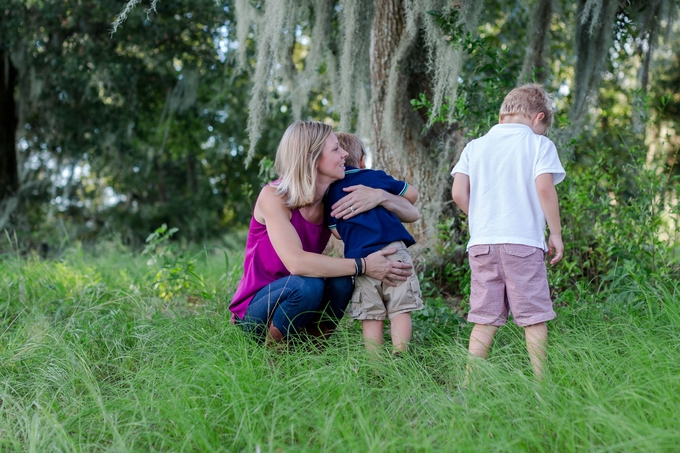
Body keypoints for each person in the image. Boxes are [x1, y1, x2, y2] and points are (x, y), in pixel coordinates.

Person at [229, 121, 419, 345]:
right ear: (313, 158)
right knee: (308, 284)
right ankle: (274, 354)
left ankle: (313, 346)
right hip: (255, 311)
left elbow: (411, 211)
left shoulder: (335, 196)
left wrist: (381, 196)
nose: (345, 154)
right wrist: (364, 265)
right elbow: (297, 264)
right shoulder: (274, 196)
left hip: (299, 301)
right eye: (336, 149)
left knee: (342, 281)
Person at [450, 84, 566, 380]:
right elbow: (544, 187)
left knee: (485, 318)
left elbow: (458, 192)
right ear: (538, 117)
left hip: (482, 245)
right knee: (534, 318)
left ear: (503, 114)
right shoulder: (539, 145)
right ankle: (542, 386)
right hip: (522, 243)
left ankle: (468, 385)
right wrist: (556, 233)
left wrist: (481, 217)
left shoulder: (474, 146)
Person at [325, 132, 424, 354]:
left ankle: (376, 365)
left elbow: (337, 234)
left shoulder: (328, 192)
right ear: (362, 160)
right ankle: (400, 354)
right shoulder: (374, 176)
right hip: (393, 250)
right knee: (400, 309)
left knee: (371, 315)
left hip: (362, 260)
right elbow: (412, 195)